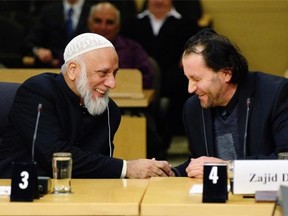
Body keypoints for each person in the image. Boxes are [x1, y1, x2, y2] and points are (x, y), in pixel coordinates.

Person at [0, 32, 174, 179]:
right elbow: (54, 156)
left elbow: (97, 167)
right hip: (19, 196)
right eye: (103, 73)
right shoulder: (37, 91)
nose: (112, 83)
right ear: (73, 70)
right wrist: (127, 168)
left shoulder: (108, 111)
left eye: (114, 73)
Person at [172, 28, 288, 177]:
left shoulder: (275, 94)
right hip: (217, 196)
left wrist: (229, 168)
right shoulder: (193, 108)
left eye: (197, 79)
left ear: (226, 73)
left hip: (265, 197)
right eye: (188, 79)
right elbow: (201, 163)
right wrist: (171, 173)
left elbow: (285, 162)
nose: (190, 88)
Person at [122, 0, 201, 156]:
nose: (158, 1)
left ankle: (164, 144)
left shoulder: (188, 24)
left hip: (176, 80)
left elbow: (199, 48)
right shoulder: (131, 24)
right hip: (140, 80)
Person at [87, 1, 154, 89]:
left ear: (118, 27)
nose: (103, 27)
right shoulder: (76, 47)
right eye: (98, 21)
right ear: (89, 23)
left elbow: (147, 77)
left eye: (109, 22)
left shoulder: (133, 49)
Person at [24, 0, 94, 68]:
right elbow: (31, 40)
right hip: (51, 68)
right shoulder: (49, 10)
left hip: (86, 68)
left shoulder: (95, 9)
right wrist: (38, 50)